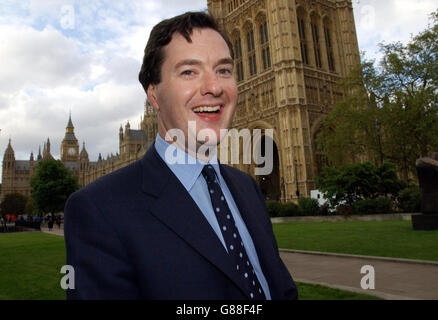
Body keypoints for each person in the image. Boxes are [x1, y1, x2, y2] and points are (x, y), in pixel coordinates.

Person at [64, 11, 297, 300]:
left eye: (223, 70)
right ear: (153, 96)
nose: (213, 87)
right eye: (189, 71)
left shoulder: (246, 188)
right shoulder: (98, 210)